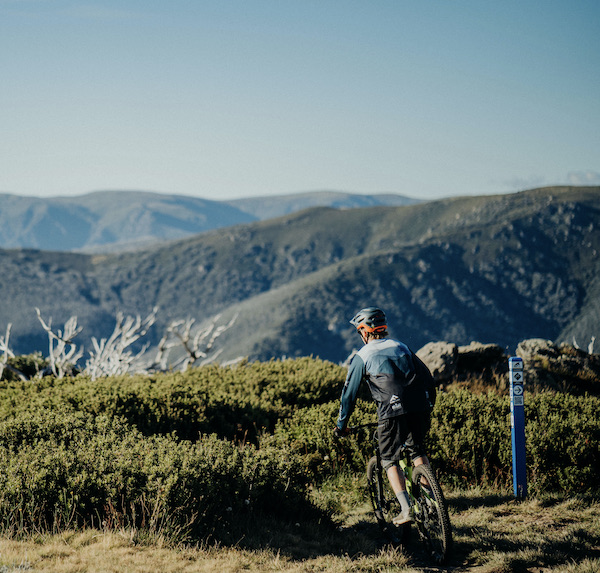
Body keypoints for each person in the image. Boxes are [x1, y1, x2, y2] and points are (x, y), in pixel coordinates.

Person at [334, 307, 436, 525]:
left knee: (389, 459)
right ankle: (432, 501)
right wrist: (429, 404)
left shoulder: (361, 356)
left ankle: (406, 509)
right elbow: (427, 376)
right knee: (417, 450)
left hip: (391, 412)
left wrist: (341, 425)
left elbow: (348, 396)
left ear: (364, 331)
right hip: (420, 407)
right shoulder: (401, 346)